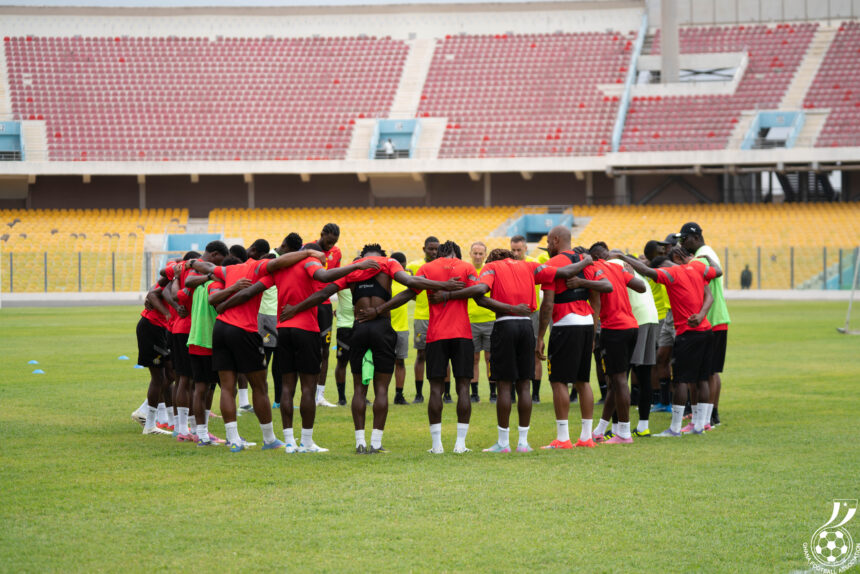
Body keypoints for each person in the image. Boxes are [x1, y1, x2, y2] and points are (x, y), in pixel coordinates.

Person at [282, 244, 463, 454]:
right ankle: (376, 443)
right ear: (381, 255)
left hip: (358, 328)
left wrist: (295, 308)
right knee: (381, 388)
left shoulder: (353, 267)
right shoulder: (388, 262)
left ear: (363, 256)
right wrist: (444, 285)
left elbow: (324, 293)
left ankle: (360, 443)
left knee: (359, 387)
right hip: (382, 329)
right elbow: (411, 283)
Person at [219, 244, 378, 453]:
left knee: (286, 387)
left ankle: (289, 442)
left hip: (282, 330)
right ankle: (306, 441)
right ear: (313, 253)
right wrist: (356, 266)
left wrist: (223, 306)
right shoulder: (309, 261)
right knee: (307, 388)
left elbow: (251, 291)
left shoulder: (279, 270)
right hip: (306, 329)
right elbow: (324, 276)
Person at [437, 248, 593, 453]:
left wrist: (448, 295)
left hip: (505, 325)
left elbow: (480, 290)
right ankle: (523, 443)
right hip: (526, 327)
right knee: (524, 385)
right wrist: (587, 260)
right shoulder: (529, 265)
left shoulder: (491, 267)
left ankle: (503, 443)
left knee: (504, 386)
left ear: (493, 259)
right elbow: (564, 272)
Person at [186, 247, 326, 452]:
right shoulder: (258, 266)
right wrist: (308, 253)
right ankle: (269, 439)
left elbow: (206, 266)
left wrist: (190, 263)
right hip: (244, 330)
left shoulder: (228, 271)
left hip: (221, 328)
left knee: (227, 386)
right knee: (259, 387)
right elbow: (278, 263)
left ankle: (233, 439)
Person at [363, 241, 479, 454]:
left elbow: (407, 295)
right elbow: (478, 293)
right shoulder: (467, 268)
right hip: (463, 334)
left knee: (436, 388)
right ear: (458, 254)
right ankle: (460, 445)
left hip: (436, 335)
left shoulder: (427, 269)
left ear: (439, 254)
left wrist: (380, 309)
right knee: (463, 387)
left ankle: (437, 446)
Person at [619, 247, 722, 436]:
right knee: (702, 379)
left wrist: (622, 257)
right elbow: (718, 272)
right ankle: (700, 425)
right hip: (706, 330)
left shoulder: (671, 273)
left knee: (681, 381)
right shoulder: (698, 267)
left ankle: (675, 428)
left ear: (671, 260)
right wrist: (707, 257)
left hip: (687, 333)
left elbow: (648, 272)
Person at [536, 226, 612, 449]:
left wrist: (540, 336)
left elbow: (547, 304)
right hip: (587, 322)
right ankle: (586, 438)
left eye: (549, 242)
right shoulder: (586, 261)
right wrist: (594, 329)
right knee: (582, 381)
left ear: (556, 240)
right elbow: (597, 298)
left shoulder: (553, 264)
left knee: (558, 380)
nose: (548, 246)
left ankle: (562, 439)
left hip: (565, 323)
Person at [184, 252, 247, 446]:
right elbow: (216, 302)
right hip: (211, 341)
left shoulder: (200, 285)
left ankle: (202, 433)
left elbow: (188, 283)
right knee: (225, 388)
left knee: (203, 388)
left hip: (197, 338)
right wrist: (235, 289)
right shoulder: (215, 285)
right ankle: (229, 436)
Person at [679, 223, 731, 427]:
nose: (683, 243)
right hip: (717, 317)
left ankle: (709, 415)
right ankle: (711, 414)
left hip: (711, 318)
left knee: (707, 372)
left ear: (696, 237)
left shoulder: (701, 257)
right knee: (711, 371)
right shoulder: (706, 253)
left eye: (685, 238)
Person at [605, 250, 659, 438]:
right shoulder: (632, 266)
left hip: (636, 319)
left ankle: (618, 427)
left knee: (620, 376)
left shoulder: (613, 266)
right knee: (644, 375)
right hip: (651, 317)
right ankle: (643, 426)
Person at [308, 223, 342, 408]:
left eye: (334, 242)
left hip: (326, 306)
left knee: (325, 350)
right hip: (309, 303)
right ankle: (307, 392)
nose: (330, 246)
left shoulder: (337, 253)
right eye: (328, 241)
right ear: (322, 234)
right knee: (308, 349)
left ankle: (319, 396)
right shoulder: (308, 249)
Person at [135, 277, 174, 435]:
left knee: (170, 374)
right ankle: (149, 422)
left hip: (161, 330)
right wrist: (166, 313)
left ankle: (169, 420)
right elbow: (152, 294)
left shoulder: (184, 277)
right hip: (152, 328)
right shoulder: (179, 275)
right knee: (160, 376)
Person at [510, 235, 543, 403]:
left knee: (535, 352)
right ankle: (513, 394)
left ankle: (535, 394)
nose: (516, 253)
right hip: (512, 314)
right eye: (513, 250)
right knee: (513, 354)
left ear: (525, 249)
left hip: (532, 314)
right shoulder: (507, 264)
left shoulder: (533, 264)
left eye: (519, 250)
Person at [407, 236, 440, 403]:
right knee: (421, 355)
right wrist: (421, 301)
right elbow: (409, 291)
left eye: (436, 249)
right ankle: (419, 394)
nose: (433, 252)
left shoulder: (442, 265)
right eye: (430, 249)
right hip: (422, 317)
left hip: (440, 317)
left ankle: (445, 394)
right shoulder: (413, 266)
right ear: (424, 249)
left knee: (442, 354)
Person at [643, 240, 674, 413]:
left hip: (665, 315)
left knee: (665, 360)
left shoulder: (665, 267)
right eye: (661, 252)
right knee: (659, 360)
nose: (665, 253)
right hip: (658, 317)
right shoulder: (650, 270)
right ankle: (662, 400)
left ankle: (670, 400)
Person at [468, 241, 494, 403]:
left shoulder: (490, 270)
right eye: (475, 253)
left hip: (490, 320)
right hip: (471, 321)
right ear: (470, 254)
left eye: (480, 253)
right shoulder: (467, 271)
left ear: (485, 255)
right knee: (473, 358)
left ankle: (493, 393)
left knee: (490, 358)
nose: (478, 256)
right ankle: (474, 393)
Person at [389, 252, 411, 405]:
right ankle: (380, 392)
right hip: (385, 328)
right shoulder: (385, 280)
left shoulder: (407, 281)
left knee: (400, 362)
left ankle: (399, 394)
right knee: (382, 363)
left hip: (402, 328)